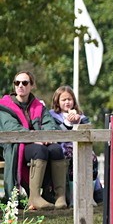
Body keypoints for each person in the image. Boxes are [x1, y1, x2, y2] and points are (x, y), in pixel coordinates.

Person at [0, 71, 67, 210]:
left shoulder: (38, 106)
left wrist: (47, 137)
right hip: (15, 146)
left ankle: (58, 195)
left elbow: (50, 124)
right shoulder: (4, 106)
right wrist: (35, 139)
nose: (20, 85)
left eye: (25, 83)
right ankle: (34, 197)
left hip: (38, 142)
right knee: (39, 150)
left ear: (32, 86)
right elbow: (12, 128)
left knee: (56, 149)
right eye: (17, 83)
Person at [47, 85, 104, 205]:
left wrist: (79, 122)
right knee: (71, 156)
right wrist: (68, 122)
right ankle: (74, 197)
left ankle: (89, 195)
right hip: (62, 146)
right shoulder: (52, 116)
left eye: (69, 99)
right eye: (63, 100)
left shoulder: (81, 116)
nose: (67, 102)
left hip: (81, 145)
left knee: (92, 158)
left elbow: (90, 132)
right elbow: (57, 133)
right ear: (57, 101)